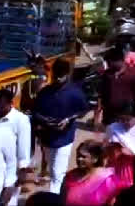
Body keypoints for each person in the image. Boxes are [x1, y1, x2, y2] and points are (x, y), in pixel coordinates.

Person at [33, 59, 90, 194]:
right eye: (56, 75)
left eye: (61, 75)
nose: (58, 79)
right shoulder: (44, 92)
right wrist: (45, 121)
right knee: (53, 170)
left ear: (67, 74)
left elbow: (84, 110)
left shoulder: (75, 92)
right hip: (47, 138)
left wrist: (69, 119)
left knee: (58, 174)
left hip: (65, 138)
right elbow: (35, 112)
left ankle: (55, 199)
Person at [95, 46, 135, 129]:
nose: (107, 65)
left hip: (126, 115)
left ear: (119, 60)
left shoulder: (134, 74)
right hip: (109, 115)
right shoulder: (107, 75)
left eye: (109, 62)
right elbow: (102, 93)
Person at [60, 140, 119, 206]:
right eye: (78, 155)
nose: (79, 159)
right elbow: (62, 200)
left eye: (83, 157)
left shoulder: (108, 180)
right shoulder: (70, 176)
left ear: (95, 159)